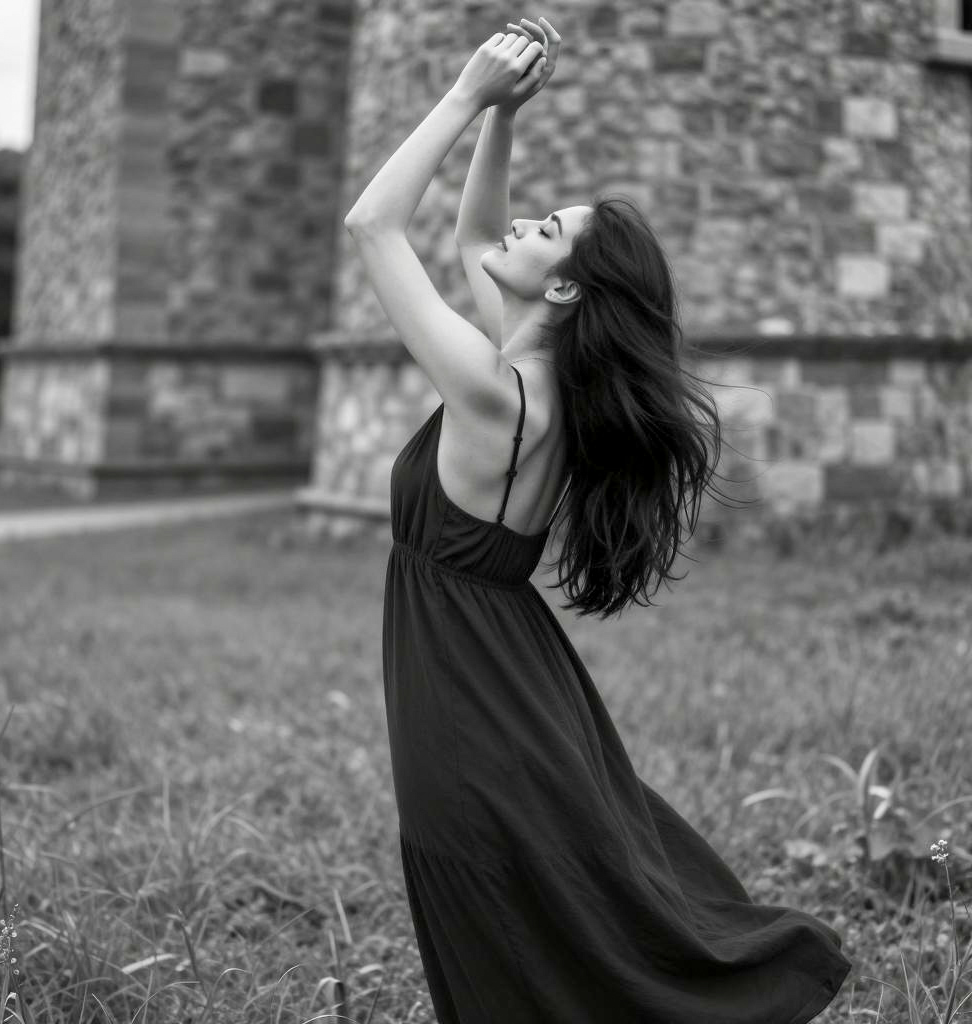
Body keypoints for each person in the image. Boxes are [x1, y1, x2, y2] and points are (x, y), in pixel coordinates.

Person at [344, 16, 852, 1022]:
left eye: (546, 231)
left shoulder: (493, 394)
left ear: (566, 285)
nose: (521, 228)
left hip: (465, 699)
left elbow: (372, 225)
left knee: (497, 918)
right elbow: (475, 239)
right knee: (538, 908)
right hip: (508, 677)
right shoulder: (544, 384)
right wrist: (503, 117)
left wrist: (463, 93)